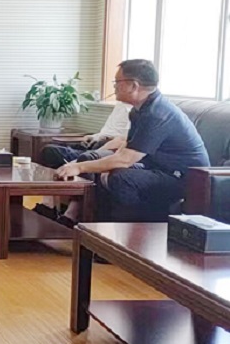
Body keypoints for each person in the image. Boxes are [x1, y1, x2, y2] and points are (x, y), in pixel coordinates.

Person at [54, 59, 210, 224]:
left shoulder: (157, 114)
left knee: (122, 178)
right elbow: (126, 148)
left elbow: (126, 160)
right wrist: (84, 162)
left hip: (185, 179)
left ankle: (129, 230)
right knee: (92, 162)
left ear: (134, 86)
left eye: (117, 82)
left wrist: (79, 167)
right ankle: (86, 223)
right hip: (158, 168)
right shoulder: (139, 111)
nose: (114, 87)